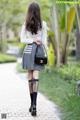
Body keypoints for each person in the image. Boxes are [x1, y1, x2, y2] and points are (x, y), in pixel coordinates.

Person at [20, 2, 48, 116]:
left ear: (29, 11)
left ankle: (32, 104)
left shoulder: (25, 24)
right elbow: (44, 40)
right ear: (39, 11)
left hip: (28, 51)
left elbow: (22, 39)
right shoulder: (43, 24)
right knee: (36, 76)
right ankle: (34, 104)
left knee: (30, 77)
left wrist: (31, 40)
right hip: (39, 51)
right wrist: (45, 53)